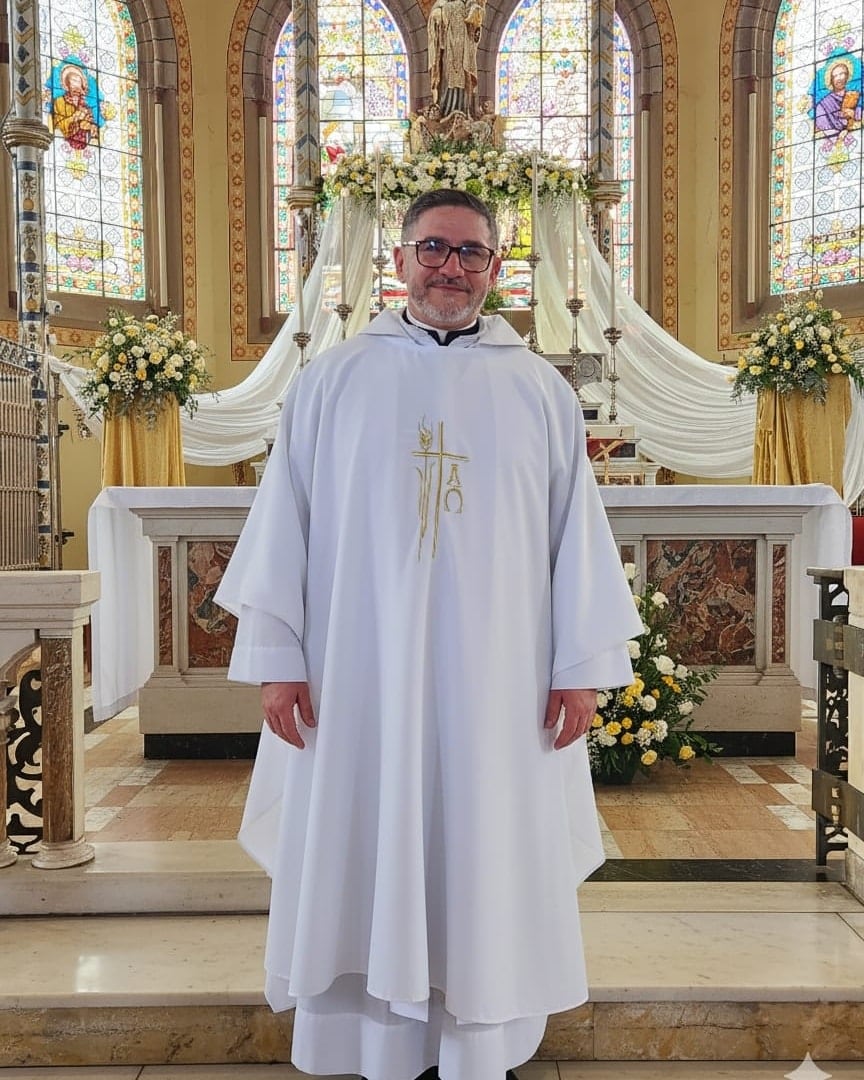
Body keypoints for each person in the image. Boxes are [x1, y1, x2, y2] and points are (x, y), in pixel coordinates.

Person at [215, 189, 643, 1080]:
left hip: (500, 679)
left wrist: (580, 668)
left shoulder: (539, 390)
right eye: (435, 248)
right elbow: (284, 525)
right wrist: (278, 659)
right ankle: (363, 1039)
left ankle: (478, 1042)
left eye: (471, 252)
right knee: (361, 828)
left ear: (495, 267)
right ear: (400, 259)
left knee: (485, 835)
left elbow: (576, 538)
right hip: (355, 673)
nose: (451, 267)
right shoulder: (332, 380)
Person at [427, 0, 481, 118]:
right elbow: (434, 17)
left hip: (463, 45)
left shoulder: (465, 3)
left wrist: (475, 12)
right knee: (447, 75)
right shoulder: (442, 3)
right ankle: (444, 109)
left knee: (464, 75)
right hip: (447, 46)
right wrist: (436, 14)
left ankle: (464, 109)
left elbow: (474, 12)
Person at [815, 59, 861, 134]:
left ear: (847, 76)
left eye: (841, 74)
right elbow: (823, 127)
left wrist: (854, 114)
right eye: (835, 76)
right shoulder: (823, 104)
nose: (839, 78)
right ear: (831, 80)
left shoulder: (854, 96)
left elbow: (860, 114)